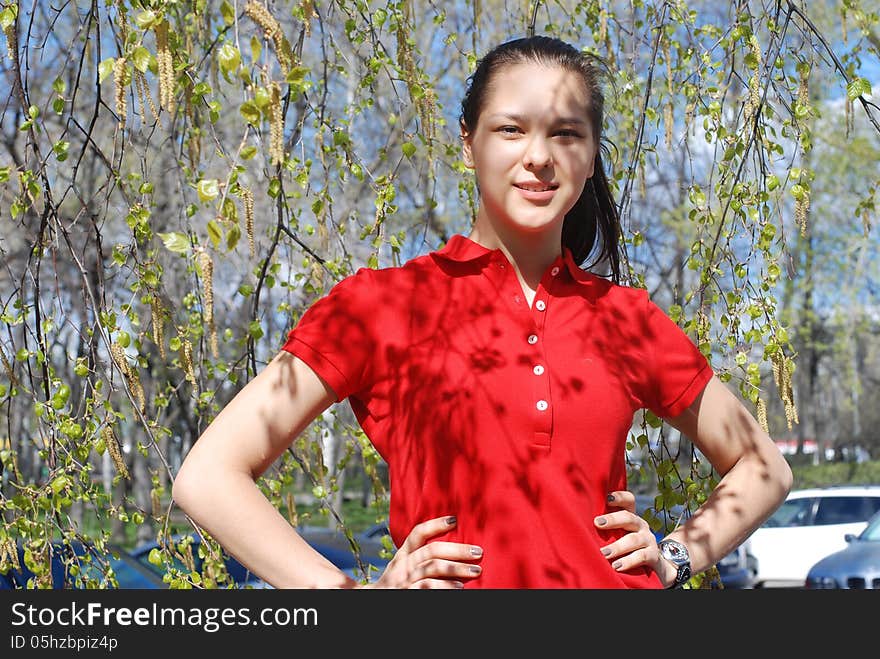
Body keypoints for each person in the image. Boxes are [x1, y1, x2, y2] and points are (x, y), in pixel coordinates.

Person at [172, 36, 792, 589]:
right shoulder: (379, 306)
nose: (540, 155)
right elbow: (208, 477)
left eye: (567, 134)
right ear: (467, 142)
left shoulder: (624, 318)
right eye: (512, 129)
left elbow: (764, 467)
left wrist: (675, 556)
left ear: (592, 153)